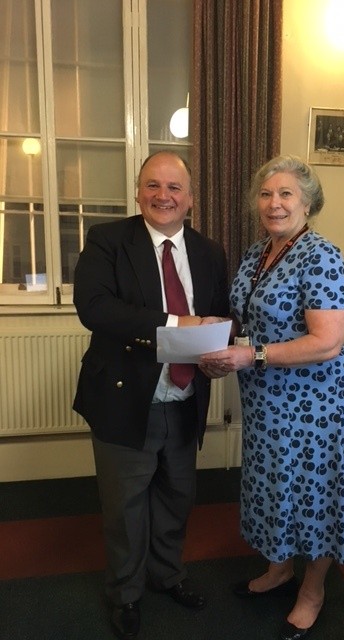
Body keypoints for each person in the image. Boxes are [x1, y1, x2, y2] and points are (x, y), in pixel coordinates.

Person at [200, 155, 344, 640]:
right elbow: (253, 319)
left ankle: (313, 590)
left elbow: (326, 342)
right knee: (276, 484)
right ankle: (279, 569)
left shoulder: (322, 256)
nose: (274, 204)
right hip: (269, 398)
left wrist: (247, 354)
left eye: (286, 194)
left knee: (314, 492)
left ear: (309, 202)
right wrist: (216, 340)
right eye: (266, 194)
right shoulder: (259, 252)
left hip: (318, 401)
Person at [73, 151, 229, 640]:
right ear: (138, 192)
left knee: (176, 499)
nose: (164, 196)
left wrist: (218, 348)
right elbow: (95, 308)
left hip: (185, 399)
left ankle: (167, 576)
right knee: (125, 508)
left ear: (191, 199)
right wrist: (177, 324)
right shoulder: (107, 241)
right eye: (153, 186)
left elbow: (221, 315)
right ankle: (125, 594)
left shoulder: (210, 252)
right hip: (125, 399)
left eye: (175, 188)